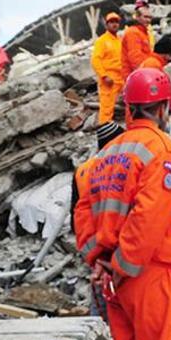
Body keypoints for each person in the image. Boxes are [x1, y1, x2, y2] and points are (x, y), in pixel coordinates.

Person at [80, 68, 171, 340]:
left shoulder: (106, 155)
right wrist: (123, 264)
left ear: (129, 108)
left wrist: (100, 261)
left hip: (114, 284)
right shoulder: (161, 148)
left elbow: (83, 213)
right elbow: (148, 216)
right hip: (151, 275)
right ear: (162, 108)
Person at [73, 121, 125, 320]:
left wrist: (91, 254)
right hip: (116, 243)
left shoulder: (82, 171)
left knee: (99, 294)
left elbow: (76, 216)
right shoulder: (118, 166)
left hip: (93, 244)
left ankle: (100, 330)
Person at [91, 12, 124, 124]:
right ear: (106, 25)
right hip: (109, 79)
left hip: (122, 77)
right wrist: (104, 76)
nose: (114, 24)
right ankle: (105, 131)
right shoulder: (101, 41)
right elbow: (95, 60)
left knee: (132, 101)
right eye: (111, 22)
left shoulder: (119, 40)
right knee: (107, 108)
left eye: (116, 22)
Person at [120, 4, 154, 82]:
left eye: (150, 17)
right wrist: (145, 75)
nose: (148, 20)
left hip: (141, 73)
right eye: (145, 17)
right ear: (137, 17)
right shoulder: (133, 32)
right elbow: (135, 58)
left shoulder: (143, 33)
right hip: (135, 76)